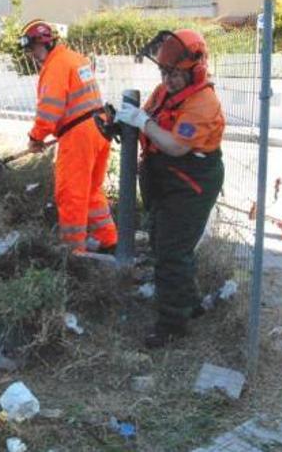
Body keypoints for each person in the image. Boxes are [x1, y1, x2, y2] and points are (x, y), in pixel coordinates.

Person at [115, 29, 225, 348]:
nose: (168, 79)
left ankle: (172, 324)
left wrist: (142, 123)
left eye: (175, 73)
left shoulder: (203, 102)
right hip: (165, 176)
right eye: (164, 72)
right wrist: (123, 121)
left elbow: (176, 146)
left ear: (196, 69)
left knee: (171, 254)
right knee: (165, 244)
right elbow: (148, 114)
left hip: (190, 181)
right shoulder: (165, 92)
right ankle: (189, 305)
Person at [20, 19, 117, 254]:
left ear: (43, 43)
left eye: (32, 49)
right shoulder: (76, 59)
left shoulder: (55, 67)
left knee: (71, 193)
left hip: (79, 136)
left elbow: (49, 110)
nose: (32, 55)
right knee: (92, 190)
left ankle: (74, 252)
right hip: (100, 127)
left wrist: (36, 137)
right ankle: (110, 240)